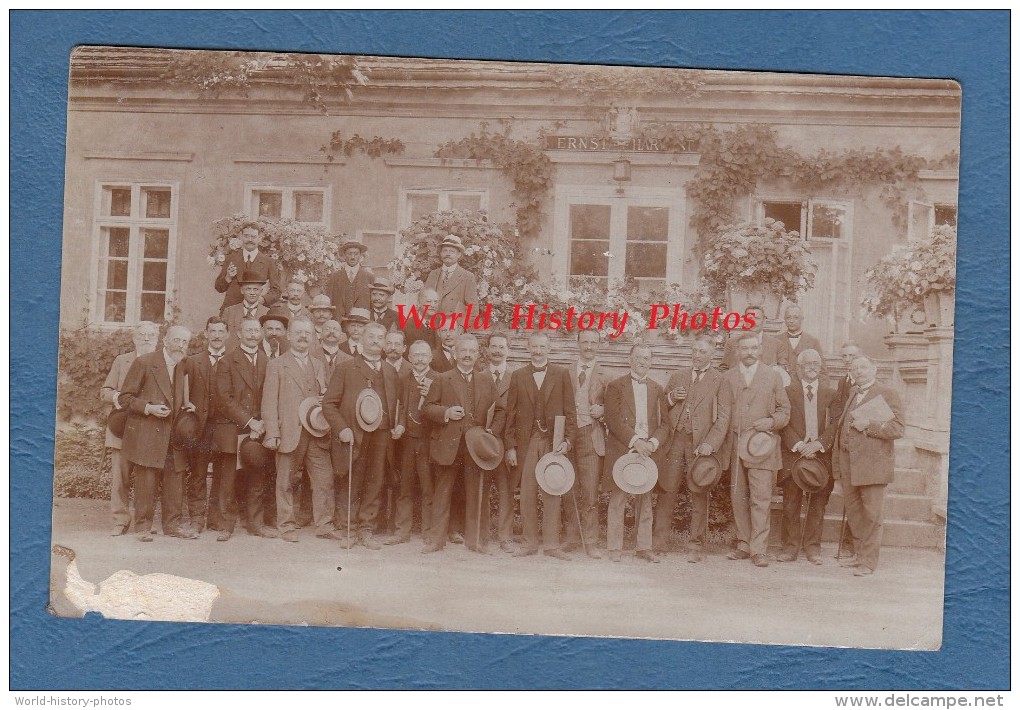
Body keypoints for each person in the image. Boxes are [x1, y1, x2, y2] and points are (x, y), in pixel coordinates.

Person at [321, 321, 400, 550]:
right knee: (351, 481)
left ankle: (366, 530)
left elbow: (398, 404)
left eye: (380, 338)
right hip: (353, 435)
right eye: (372, 337)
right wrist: (342, 428)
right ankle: (348, 529)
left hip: (381, 436)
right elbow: (329, 404)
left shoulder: (389, 371)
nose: (376, 342)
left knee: (375, 482)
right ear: (362, 340)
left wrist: (397, 424)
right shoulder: (346, 368)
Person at [117, 325, 198, 542]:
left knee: (175, 479)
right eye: (177, 340)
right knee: (147, 481)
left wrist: (188, 405)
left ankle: (173, 526)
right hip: (148, 432)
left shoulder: (184, 366)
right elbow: (125, 398)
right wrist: (148, 408)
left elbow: (181, 396)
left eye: (185, 342)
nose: (181, 345)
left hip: (174, 434)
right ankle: (142, 527)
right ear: (165, 340)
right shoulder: (144, 362)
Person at [262, 318, 340, 542]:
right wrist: (272, 433)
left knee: (324, 479)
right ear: (289, 336)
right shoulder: (277, 364)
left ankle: (324, 524)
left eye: (307, 333)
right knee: (285, 481)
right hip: (289, 432)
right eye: (298, 333)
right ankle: (286, 525)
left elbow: (324, 393)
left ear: (313, 337)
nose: (303, 336)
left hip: (316, 432)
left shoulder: (317, 364)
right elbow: (269, 401)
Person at [422, 333, 502, 554]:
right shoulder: (441, 378)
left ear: (478, 355)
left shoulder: (486, 380)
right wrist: (446, 412)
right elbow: (427, 408)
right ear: (455, 354)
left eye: (472, 351)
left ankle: (476, 541)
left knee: (477, 492)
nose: (467, 355)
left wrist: (490, 431)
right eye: (463, 351)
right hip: (448, 445)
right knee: (443, 493)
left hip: (476, 446)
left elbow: (501, 410)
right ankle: (436, 541)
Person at [655, 333, 730, 562]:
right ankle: (659, 542)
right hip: (675, 441)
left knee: (699, 491)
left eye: (703, 352)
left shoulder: (720, 380)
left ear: (712, 354)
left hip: (700, 445)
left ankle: (696, 546)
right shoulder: (678, 375)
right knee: (667, 490)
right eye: (695, 351)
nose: (697, 356)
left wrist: (710, 443)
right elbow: (659, 409)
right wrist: (670, 398)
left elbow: (724, 418)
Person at [504, 331, 576, 560]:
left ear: (549, 348)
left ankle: (552, 544)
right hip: (527, 441)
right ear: (528, 348)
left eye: (542, 347)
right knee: (527, 493)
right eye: (534, 347)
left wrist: (568, 441)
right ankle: (529, 543)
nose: (537, 351)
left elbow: (570, 412)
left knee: (552, 489)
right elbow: (511, 415)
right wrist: (511, 446)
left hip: (553, 442)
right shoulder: (518, 375)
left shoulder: (562, 374)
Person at [721, 331, 791, 567]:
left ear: (760, 350)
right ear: (737, 352)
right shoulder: (729, 377)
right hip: (735, 445)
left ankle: (759, 549)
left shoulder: (773, 377)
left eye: (753, 348)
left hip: (762, 446)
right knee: (738, 495)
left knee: (761, 498)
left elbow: (784, 411)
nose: (749, 353)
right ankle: (743, 543)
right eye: (744, 349)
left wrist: (770, 422)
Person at [831, 356, 904, 576]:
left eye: (863, 367)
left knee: (872, 516)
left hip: (873, 466)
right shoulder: (853, 392)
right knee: (854, 514)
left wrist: (869, 426)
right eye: (854, 369)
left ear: (874, 368)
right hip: (849, 465)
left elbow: (898, 428)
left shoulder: (888, 393)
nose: (859, 371)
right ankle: (859, 556)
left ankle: (868, 562)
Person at [603, 343, 670, 563]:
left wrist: (651, 443)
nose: (643, 362)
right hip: (623, 448)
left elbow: (665, 425)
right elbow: (612, 419)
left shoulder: (657, 389)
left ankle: (644, 547)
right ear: (630, 359)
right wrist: (635, 441)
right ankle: (614, 547)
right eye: (639, 357)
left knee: (646, 499)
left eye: (647, 358)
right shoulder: (615, 386)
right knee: (618, 498)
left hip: (647, 452)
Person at [213, 318, 278, 540]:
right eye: (247, 331)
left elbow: (270, 395)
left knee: (257, 477)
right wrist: (250, 421)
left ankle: (255, 524)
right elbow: (224, 399)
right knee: (228, 479)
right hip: (233, 428)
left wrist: (262, 425)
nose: (252, 335)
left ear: (261, 334)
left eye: (255, 331)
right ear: (238, 334)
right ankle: (226, 525)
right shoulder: (227, 361)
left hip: (259, 430)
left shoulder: (267, 361)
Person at [777, 348, 837, 564]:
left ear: (821, 368)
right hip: (795, 454)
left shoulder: (831, 393)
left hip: (821, 455)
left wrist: (819, 444)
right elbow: (783, 422)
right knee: (791, 503)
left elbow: (835, 424)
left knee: (818, 504)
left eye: (816, 364)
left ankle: (813, 548)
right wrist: (800, 445)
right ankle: (790, 548)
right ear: (799, 368)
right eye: (807, 364)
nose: (812, 367)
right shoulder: (787, 391)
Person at [101, 320, 158, 536]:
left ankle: (145, 522)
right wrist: (119, 398)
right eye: (142, 334)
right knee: (120, 475)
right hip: (123, 426)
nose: (146, 339)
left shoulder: (162, 361)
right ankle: (120, 520)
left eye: (150, 335)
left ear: (157, 339)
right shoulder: (122, 361)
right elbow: (105, 391)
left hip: (150, 428)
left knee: (147, 477)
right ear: (134, 338)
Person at [178, 317, 230, 534]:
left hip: (225, 426)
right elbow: (180, 389)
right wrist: (186, 403)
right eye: (213, 331)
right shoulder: (192, 361)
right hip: (200, 425)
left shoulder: (234, 360)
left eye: (221, 331)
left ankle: (216, 518)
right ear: (206, 334)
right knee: (198, 472)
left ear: (227, 334)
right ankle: (197, 518)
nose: (217, 335)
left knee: (222, 473)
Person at [562, 329, 609, 558]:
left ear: (599, 345)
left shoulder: (606, 375)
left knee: (590, 491)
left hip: (592, 435)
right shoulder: (566, 373)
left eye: (593, 343)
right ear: (577, 344)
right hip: (569, 436)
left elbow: (618, 408)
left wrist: (603, 410)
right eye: (585, 342)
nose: (589, 347)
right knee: (569, 488)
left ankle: (590, 541)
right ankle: (572, 538)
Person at [389, 339, 439, 545]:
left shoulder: (439, 379)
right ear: (409, 358)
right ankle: (402, 531)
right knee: (404, 486)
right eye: (415, 355)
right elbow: (400, 407)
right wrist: (400, 425)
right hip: (408, 441)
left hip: (428, 441)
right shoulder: (403, 379)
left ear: (431, 358)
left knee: (428, 486)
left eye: (423, 355)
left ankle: (429, 531)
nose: (419, 359)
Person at [478, 331, 519, 553]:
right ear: (486, 350)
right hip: (483, 444)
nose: (497, 351)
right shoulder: (479, 376)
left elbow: (517, 414)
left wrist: (511, 445)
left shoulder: (517, 377)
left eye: (501, 347)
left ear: (508, 351)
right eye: (493, 346)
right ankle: (482, 535)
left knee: (506, 491)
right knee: (482, 489)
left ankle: (505, 537)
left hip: (506, 444)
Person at [214, 222, 281, 314]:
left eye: (253, 237)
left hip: (256, 310)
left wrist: (262, 299)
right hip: (231, 311)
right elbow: (219, 287)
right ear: (241, 236)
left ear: (259, 238)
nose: (250, 240)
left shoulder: (268, 262)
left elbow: (276, 290)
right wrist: (228, 277)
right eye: (246, 236)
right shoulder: (231, 258)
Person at [422, 234, 478, 313]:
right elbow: (424, 301)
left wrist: (462, 325)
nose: (448, 254)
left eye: (452, 251)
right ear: (441, 254)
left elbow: (473, 307)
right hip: (434, 322)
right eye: (445, 250)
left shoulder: (468, 277)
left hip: (456, 323)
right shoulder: (433, 274)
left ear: (459, 255)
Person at [720, 306, 784, 370]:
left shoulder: (777, 344)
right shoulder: (731, 342)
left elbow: (783, 371)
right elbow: (724, 369)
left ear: (764, 321)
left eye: (757, 318)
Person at [775, 304, 827, 381]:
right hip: (782, 388)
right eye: (788, 317)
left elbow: (822, 371)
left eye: (795, 317)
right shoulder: (776, 340)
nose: (791, 321)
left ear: (802, 319)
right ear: (784, 319)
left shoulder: (813, 342)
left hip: (804, 389)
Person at [325, 240, 373, 320]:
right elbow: (329, 301)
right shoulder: (335, 277)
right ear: (344, 255)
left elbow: (372, 304)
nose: (353, 257)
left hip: (361, 324)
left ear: (361, 255)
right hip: (338, 323)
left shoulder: (369, 277)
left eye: (356, 254)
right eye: (349, 254)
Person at [222, 275, 269, 349]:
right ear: (242, 290)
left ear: (261, 291)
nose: (252, 293)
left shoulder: (268, 313)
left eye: (255, 289)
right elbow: (222, 337)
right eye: (248, 289)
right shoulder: (229, 311)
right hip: (232, 356)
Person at [402, 287, 440, 353]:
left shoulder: (441, 322)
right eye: (429, 301)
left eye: (435, 302)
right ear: (419, 304)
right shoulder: (408, 325)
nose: (433, 305)